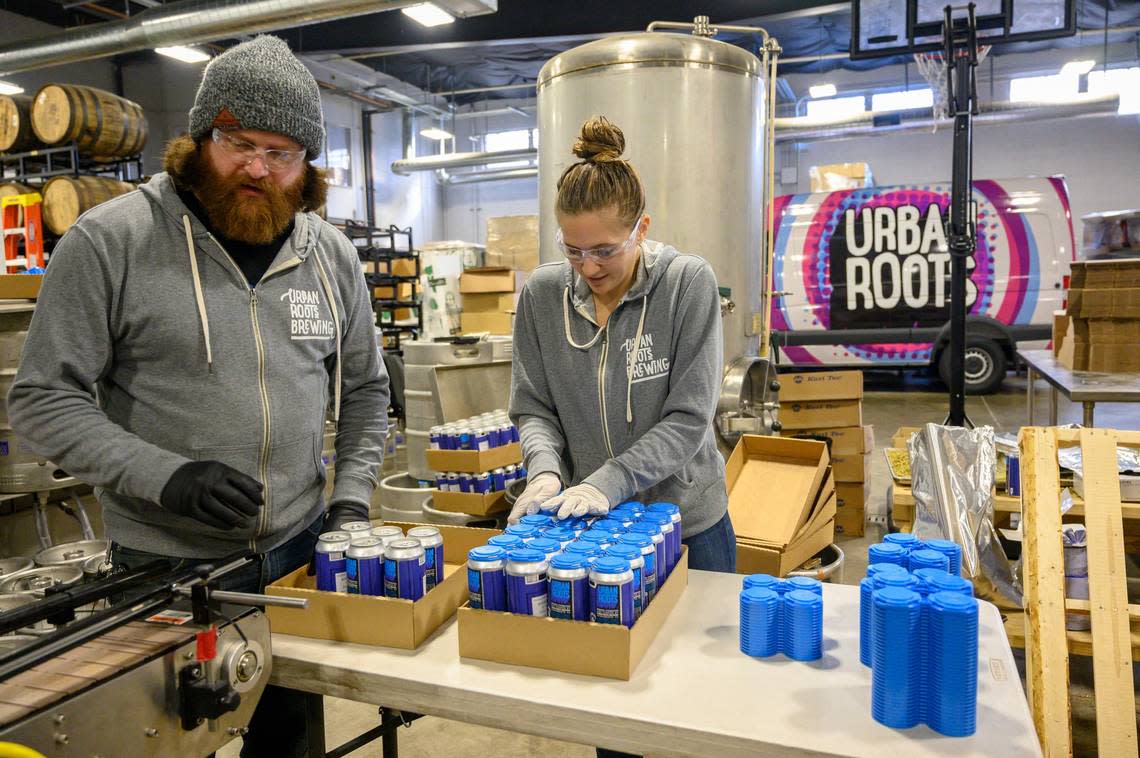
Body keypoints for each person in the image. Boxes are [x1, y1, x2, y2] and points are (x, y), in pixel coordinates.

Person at [8, 36, 389, 757]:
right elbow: (42, 401)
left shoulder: (328, 255)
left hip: (298, 555)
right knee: (162, 745)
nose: (257, 167)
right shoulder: (110, 242)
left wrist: (350, 505)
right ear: (198, 138)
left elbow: (367, 390)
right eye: (237, 141)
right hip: (165, 572)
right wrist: (167, 477)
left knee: (288, 747)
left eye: (282, 153)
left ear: (307, 165)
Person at [507, 115, 736, 574]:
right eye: (573, 250)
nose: (588, 267)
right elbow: (534, 408)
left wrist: (609, 482)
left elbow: (689, 420)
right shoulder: (542, 295)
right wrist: (545, 470)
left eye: (605, 250)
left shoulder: (686, 284)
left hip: (686, 525)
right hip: (587, 534)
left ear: (642, 228)